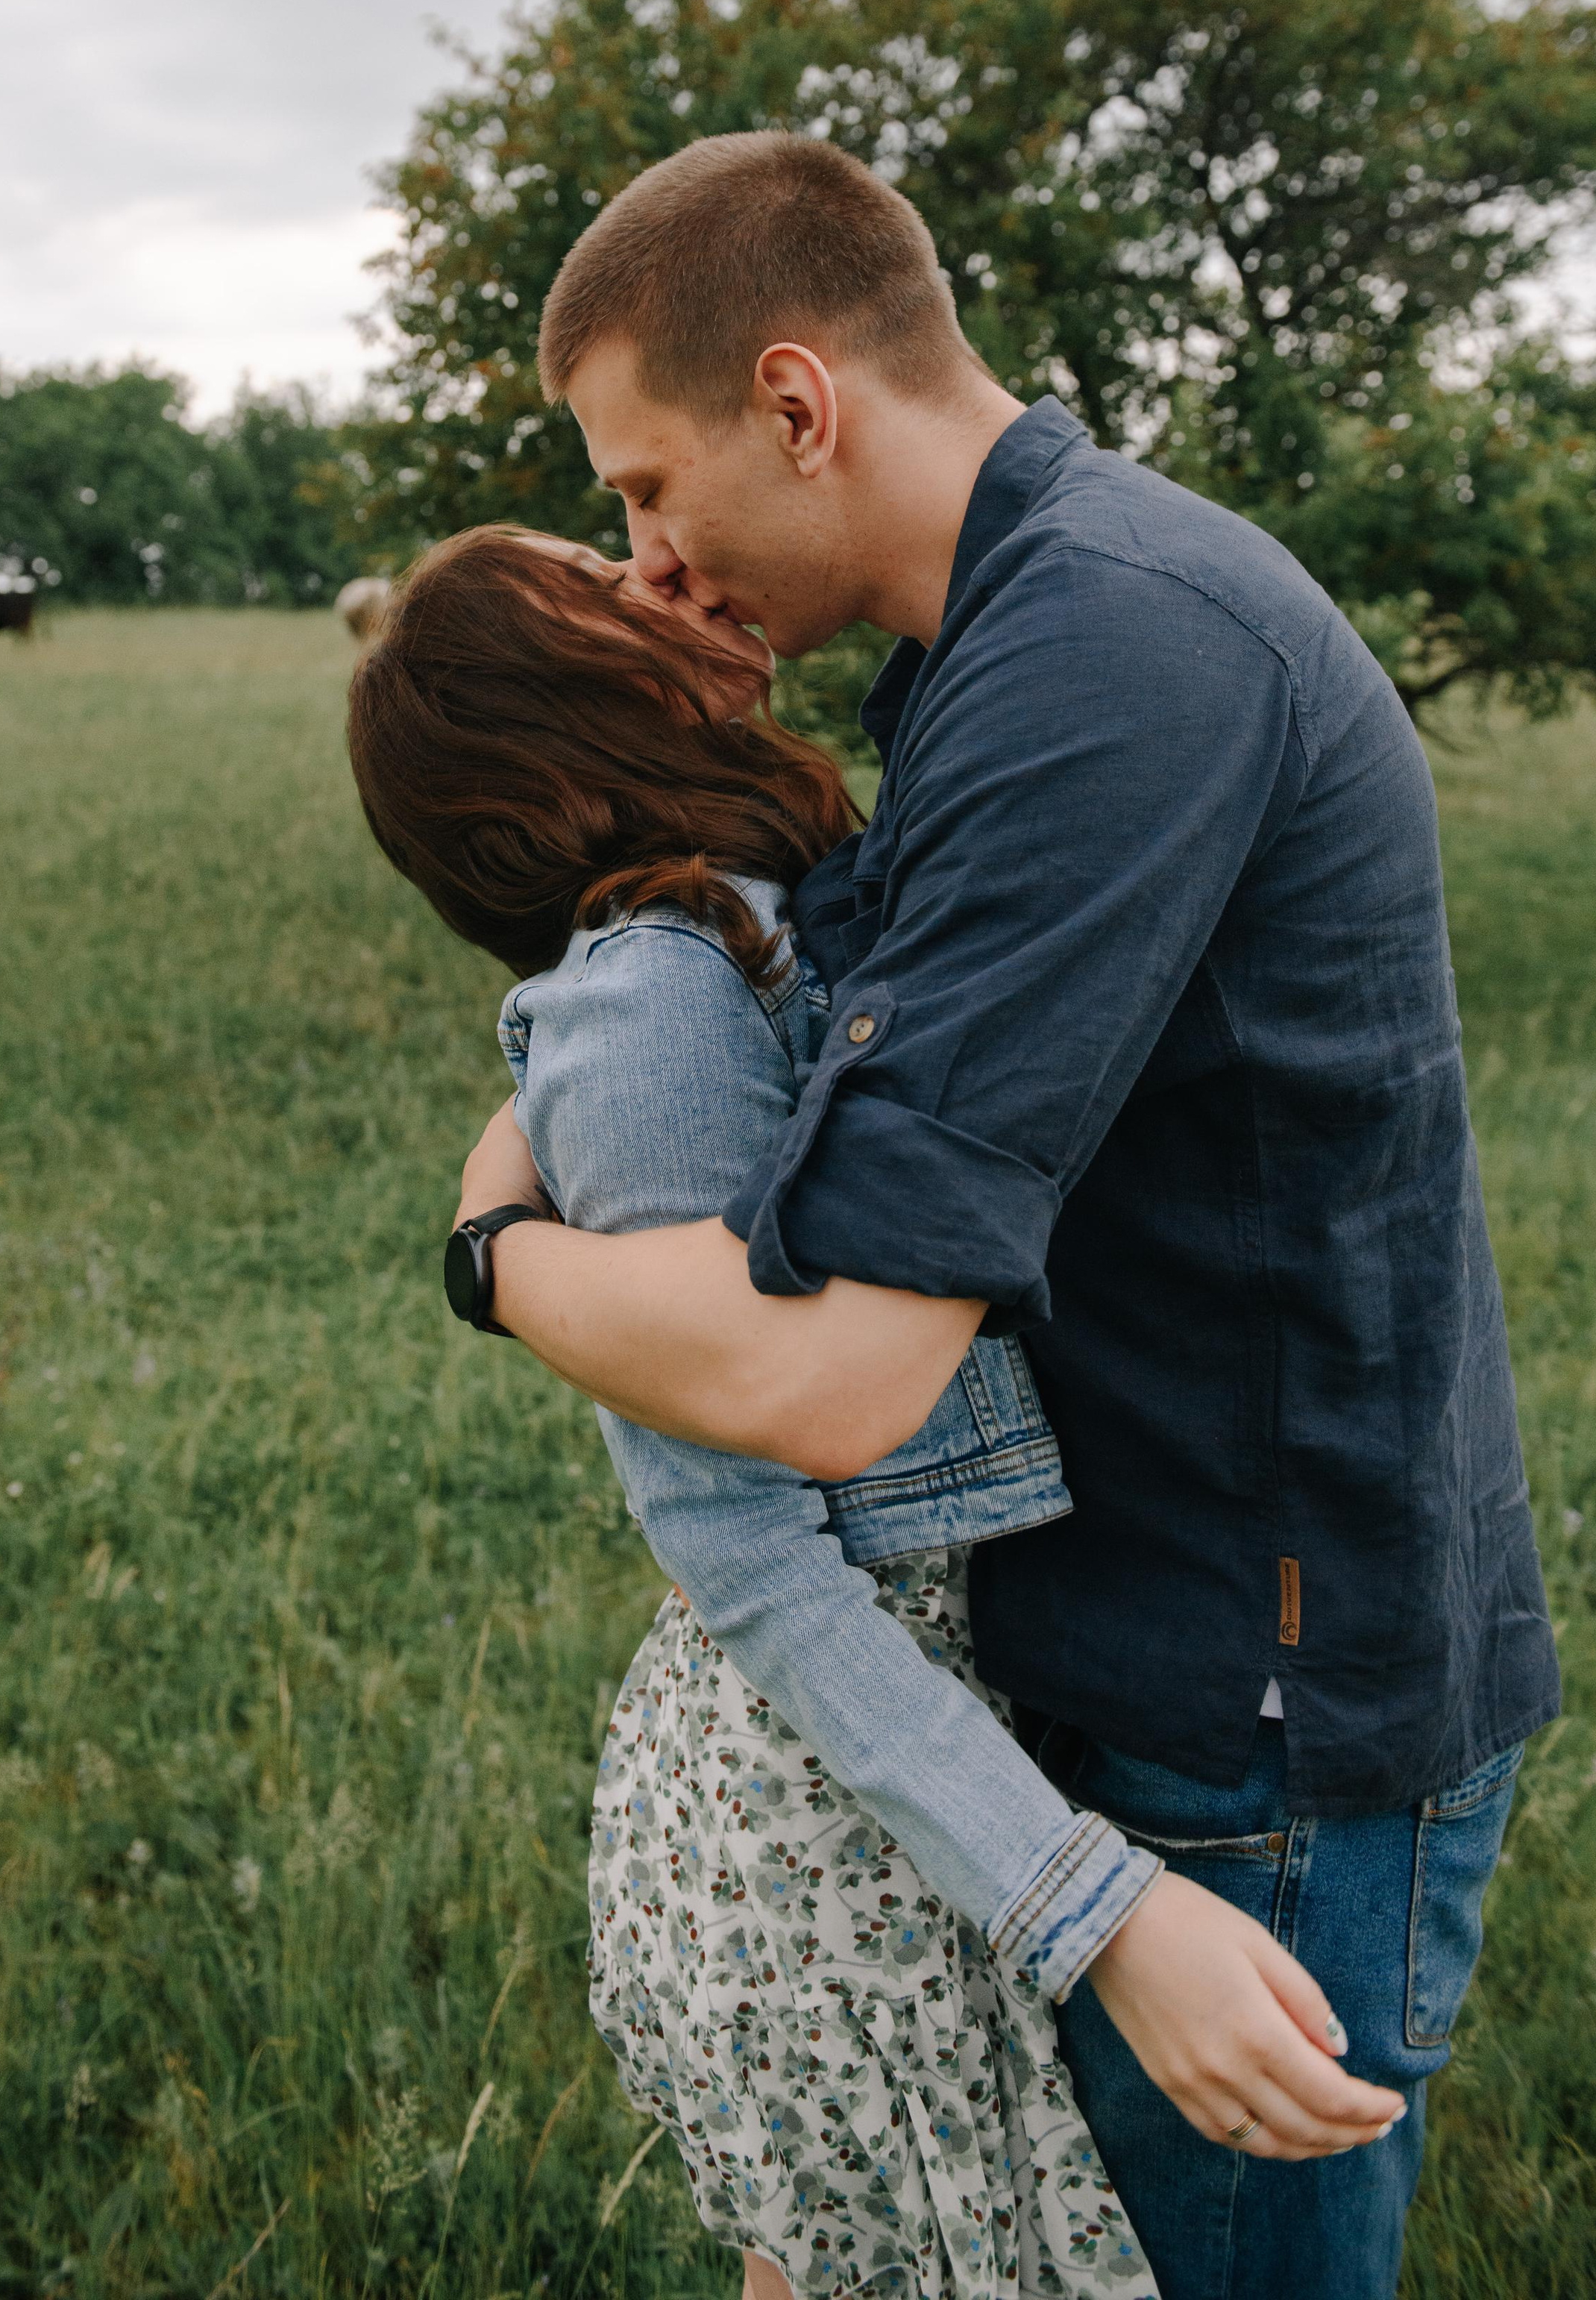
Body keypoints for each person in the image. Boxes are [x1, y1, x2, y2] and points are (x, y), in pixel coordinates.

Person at [447, 132, 1561, 2300]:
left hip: (1262, 1702)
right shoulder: (996, 648)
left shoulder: (1108, 658)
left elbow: (836, 1382)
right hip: (1165, 1630)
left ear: (797, 403)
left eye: (647, 488)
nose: (651, 560)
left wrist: (496, 1258)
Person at [348, 523, 1184, 2296]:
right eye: (606, 578)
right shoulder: (650, 1002)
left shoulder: (761, 916)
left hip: (920, 1737)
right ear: (561, 707)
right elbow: (749, 1553)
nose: (665, 569)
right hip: (823, 1819)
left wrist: (499, 1197)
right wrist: (1077, 1903)